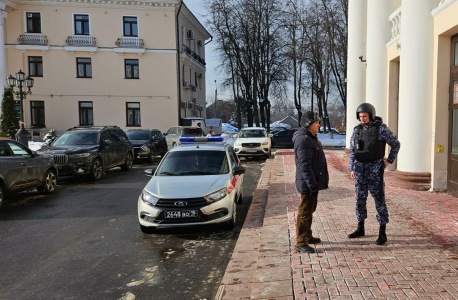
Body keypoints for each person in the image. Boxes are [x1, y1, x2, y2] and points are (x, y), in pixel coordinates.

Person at [348, 103, 401, 245]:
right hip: (359, 170)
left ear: (370, 115)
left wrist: (389, 161)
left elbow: (395, 144)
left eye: (364, 116)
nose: (362, 119)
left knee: (379, 201)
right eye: (360, 117)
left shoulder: (381, 129)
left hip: (375, 171)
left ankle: (382, 231)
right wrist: (351, 168)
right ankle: (360, 227)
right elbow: (353, 150)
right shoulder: (357, 130)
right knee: (360, 199)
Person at [292, 111, 329, 253]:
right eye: (316, 123)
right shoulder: (304, 140)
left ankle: (307, 235)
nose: (319, 125)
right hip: (308, 182)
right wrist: (311, 183)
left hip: (312, 181)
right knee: (305, 211)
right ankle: (300, 242)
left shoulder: (310, 137)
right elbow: (304, 164)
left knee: (310, 209)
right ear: (309, 125)